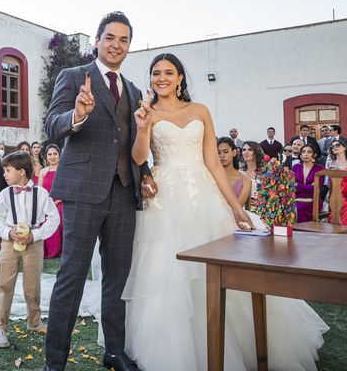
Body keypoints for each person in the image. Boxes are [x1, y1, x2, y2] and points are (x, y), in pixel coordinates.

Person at [124, 53, 327, 370]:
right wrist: (142, 127)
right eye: (155, 73)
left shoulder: (200, 111)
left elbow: (213, 163)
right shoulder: (146, 112)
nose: (161, 78)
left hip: (203, 195)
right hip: (165, 200)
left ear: (180, 78)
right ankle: (174, 351)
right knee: (166, 271)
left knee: (218, 268)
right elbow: (138, 158)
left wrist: (235, 208)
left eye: (168, 72)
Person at [44, 11, 157, 371]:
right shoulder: (74, 76)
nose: (116, 45)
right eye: (110, 37)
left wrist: (146, 173)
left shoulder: (135, 91)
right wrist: (76, 116)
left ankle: (114, 352)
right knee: (71, 277)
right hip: (83, 192)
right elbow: (51, 124)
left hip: (124, 194)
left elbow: (131, 141)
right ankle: (55, 362)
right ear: (97, 40)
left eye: (124, 39)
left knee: (117, 279)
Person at [0, 151, 60, 348]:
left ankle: (34, 321)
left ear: (21, 172)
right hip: (8, 244)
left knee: (32, 285)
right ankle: (0, 327)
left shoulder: (41, 193)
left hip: (34, 244)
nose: (4, 174)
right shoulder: (5, 194)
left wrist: (35, 235)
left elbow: (53, 218)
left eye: (7, 170)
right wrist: (7, 232)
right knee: (4, 285)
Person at [38, 144, 63, 258]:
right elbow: (39, 191)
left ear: (59, 155)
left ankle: (58, 249)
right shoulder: (43, 172)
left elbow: (68, 189)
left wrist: (57, 201)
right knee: (40, 217)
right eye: (49, 154)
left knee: (58, 215)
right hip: (46, 202)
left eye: (55, 154)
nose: (52, 157)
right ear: (46, 156)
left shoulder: (64, 170)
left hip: (62, 202)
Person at [292, 144, 325, 223]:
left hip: (313, 200)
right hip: (296, 199)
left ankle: (303, 232)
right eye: (303, 152)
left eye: (309, 152)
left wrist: (298, 185)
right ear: (301, 155)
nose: (306, 154)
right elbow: (292, 186)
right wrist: (307, 186)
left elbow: (315, 188)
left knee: (300, 208)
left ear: (314, 155)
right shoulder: (296, 167)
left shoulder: (320, 168)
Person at [217, 137, 251, 208]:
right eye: (218, 153)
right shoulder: (211, 177)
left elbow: (238, 207)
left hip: (236, 217)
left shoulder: (245, 180)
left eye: (226, 152)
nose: (222, 156)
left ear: (234, 152)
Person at [241, 140, 266, 208]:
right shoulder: (239, 172)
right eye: (244, 150)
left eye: (250, 149)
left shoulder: (265, 172)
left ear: (256, 152)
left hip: (262, 209)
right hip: (244, 208)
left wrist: (261, 203)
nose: (246, 152)